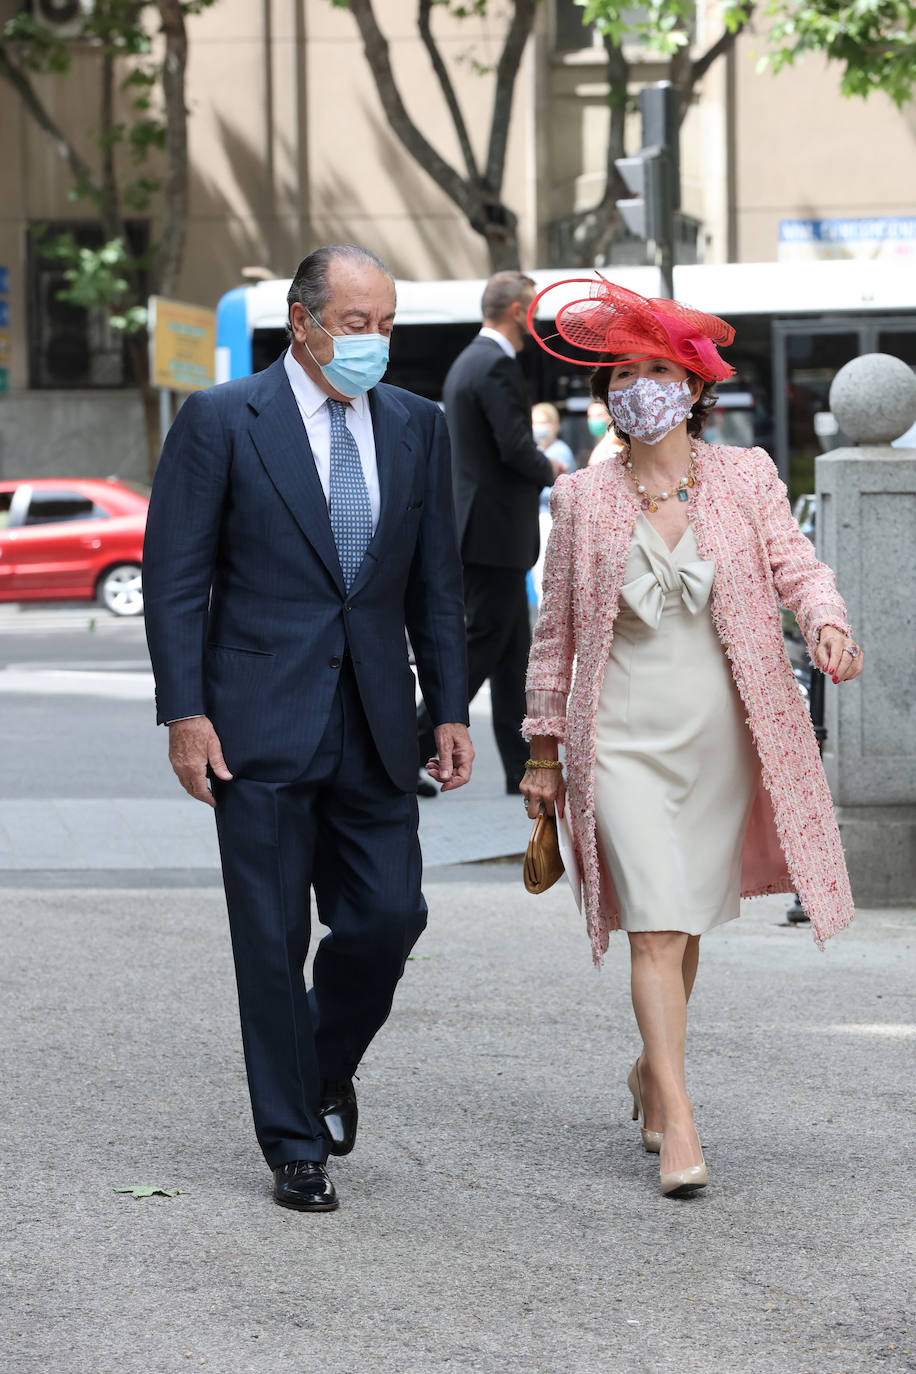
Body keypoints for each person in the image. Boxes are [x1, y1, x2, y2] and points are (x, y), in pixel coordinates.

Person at [143, 244, 473, 1213]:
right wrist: (184, 714)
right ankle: (294, 1142)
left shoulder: (417, 425)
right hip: (254, 727)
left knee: (388, 917)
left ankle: (322, 1062)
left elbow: (437, 586)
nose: (372, 342)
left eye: (386, 325)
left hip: (377, 724)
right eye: (355, 323)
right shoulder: (220, 421)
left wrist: (449, 707)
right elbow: (174, 582)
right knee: (271, 938)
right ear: (303, 322)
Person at [519, 276, 863, 1199]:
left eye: (658, 370)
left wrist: (825, 621)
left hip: (719, 737)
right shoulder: (581, 498)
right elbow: (555, 632)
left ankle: (648, 1071)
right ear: (608, 396)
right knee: (655, 924)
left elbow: (799, 566)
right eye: (623, 373)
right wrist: (542, 751)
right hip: (619, 736)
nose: (641, 388)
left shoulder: (745, 475)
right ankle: (680, 1115)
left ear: (694, 386)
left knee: (686, 923)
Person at [416, 271, 562, 796]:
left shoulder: (471, 360)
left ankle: (522, 769)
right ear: (520, 309)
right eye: (535, 311)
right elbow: (515, 449)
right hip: (493, 534)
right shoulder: (494, 364)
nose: (538, 323)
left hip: (485, 530)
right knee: (482, 647)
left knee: (510, 657)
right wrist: (560, 475)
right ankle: (405, 747)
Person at [531, 402, 573, 603]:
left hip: (550, 517)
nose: (539, 427)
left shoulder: (560, 451)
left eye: (543, 422)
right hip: (538, 517)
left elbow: (552, 491)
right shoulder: (537, 451)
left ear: (555, 424)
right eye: (535, 422)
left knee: (546, 576)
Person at [585, 399, 624, 466]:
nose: (594, 420)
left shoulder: (615, 447)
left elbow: (594, 463)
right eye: (590, 416)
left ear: (610, 416)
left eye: (599, 415)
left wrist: (611, 434)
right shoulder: (593, 440)